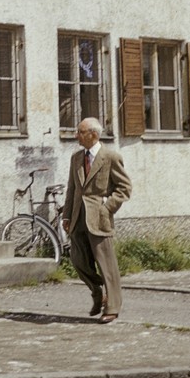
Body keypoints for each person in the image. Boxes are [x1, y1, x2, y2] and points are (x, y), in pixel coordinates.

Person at [62, 117, 132, 325]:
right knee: (78, 260)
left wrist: (107, 207)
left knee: (106, 264)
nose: (76, 136)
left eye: (80, 132)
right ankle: (97, 293)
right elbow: (72, 189)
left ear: (93, 134)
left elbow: (124, 188)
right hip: (77, 217)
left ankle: (112, 307)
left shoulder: (110, 157)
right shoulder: (76, 158)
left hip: (99, 218)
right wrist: (66, 215)